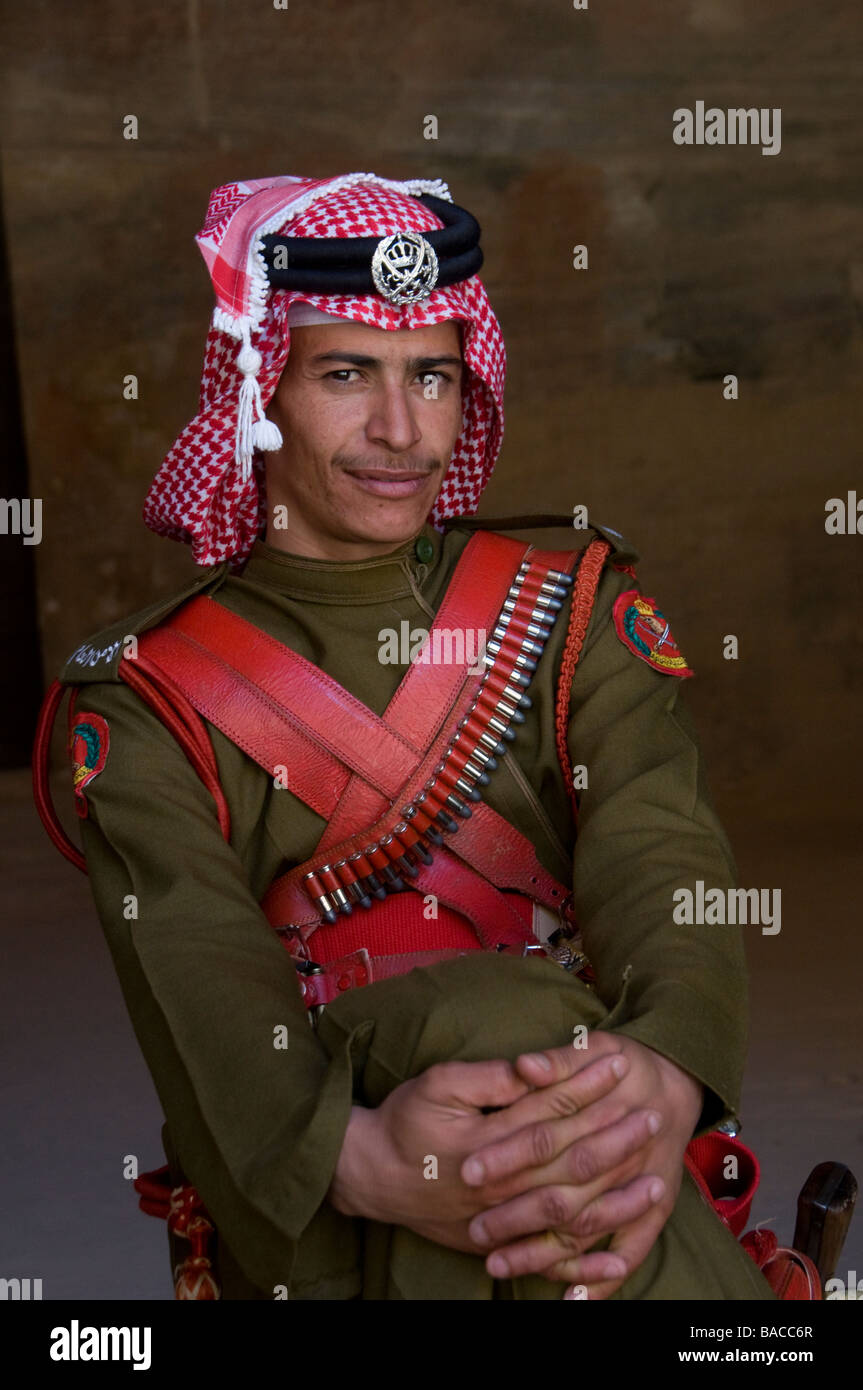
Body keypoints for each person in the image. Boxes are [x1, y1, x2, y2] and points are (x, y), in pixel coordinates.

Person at [48, 173, 776, 1301]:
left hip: (588, 1122)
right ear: (258, 393)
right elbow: (199, 974)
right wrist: (362, 1161)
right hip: (324, 1182)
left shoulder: (568, 609)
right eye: (346, 374)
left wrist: (666, 1071)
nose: (401, 431)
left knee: (527, 1033)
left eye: (431, 376)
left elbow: (658, 849)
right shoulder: (146, 699)